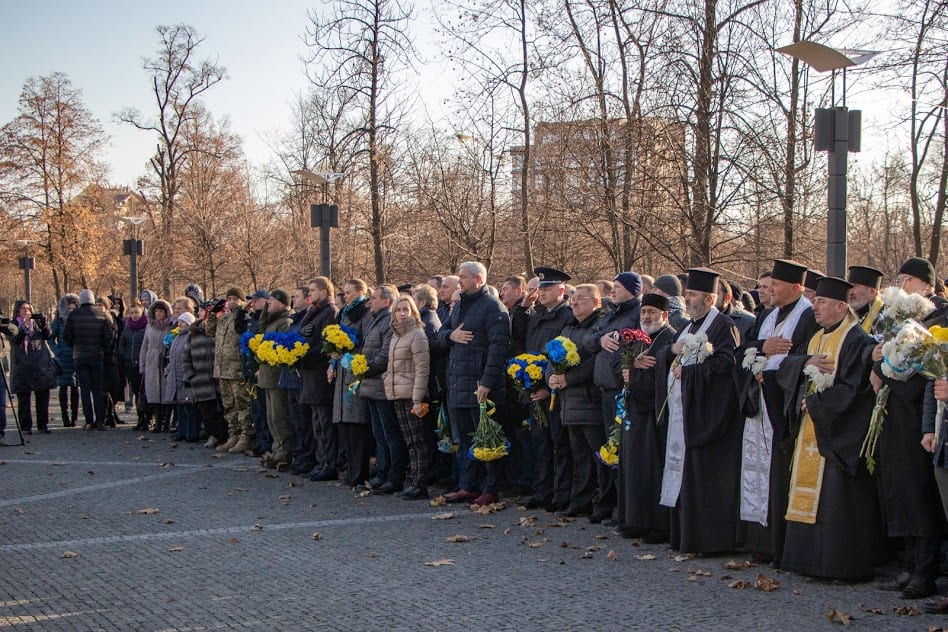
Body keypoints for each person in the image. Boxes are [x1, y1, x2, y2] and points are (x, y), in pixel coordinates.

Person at [775, 277, 886, 580]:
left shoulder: (857, 340)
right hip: (812, 428)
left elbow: (857, 390)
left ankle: (839, 566)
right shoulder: (816, 338)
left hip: (838, 436)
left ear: (840, 305)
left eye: (821, 302)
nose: (815, 307)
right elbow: (790, 366)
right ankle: (806, 562)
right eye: (814, 301)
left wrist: (818, 404)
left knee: (837, 501)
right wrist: (805, 365)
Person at [870, 256, 946, 599]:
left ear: (926, 286)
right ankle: (912, 563)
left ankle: (926, 571)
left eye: (909, 281)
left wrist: (884, 369)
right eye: (899, 280)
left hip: (920, 417)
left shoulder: (938, 320)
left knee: (921, 496)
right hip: (897, 416)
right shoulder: (900, 320)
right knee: (902, 492)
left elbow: (925, 376)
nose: (903, 286)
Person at [735, 259, 817, 566]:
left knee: (778, 472)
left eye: (777, 286)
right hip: (759, 403)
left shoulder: (808, 316)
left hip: (783, 406)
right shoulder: (767, 315)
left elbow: (806, 356)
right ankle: (758, 539)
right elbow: (747, 349)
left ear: (796, 288)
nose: (769, 292)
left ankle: (778, 542)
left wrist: (771, 374)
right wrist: (761, 351)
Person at [656, 267, 741, 554]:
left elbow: (727, 366)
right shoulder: (688, 326)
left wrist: (690, 375)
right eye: (687, 294)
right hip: (685, 413)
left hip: (709, 417)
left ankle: (709, 541)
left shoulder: (723, 325)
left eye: (692, 295)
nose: (687, 300)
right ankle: (685, 536)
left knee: (706, 479)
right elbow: (674, 355)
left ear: (709, 299)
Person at [437, 261, 511, 506]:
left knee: (486, 439)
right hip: (458, 383)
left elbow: (499, 349)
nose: (460, 282)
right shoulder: (458, 307)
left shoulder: (493, 308)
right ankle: (468, 485)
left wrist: (487, 383)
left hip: (481, 386)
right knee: (465, 441)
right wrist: (451, 336)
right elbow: (439, 334)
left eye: (464, 277)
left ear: (479, 280)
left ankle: (490, 488)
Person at [583, 271, 643, 523]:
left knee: (620, 451)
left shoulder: (636, 314)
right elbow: (588, 339)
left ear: (632, 289)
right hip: (603, 389)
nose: (612, 291)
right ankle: (607, 503)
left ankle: (623, 507)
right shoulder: (610, 314)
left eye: (617, 287)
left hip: (621, 390)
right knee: (606, 451)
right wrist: (601, 339)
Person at [616, 293, 676, 542]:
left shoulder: (670, 338)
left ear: (665, 315)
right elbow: (618, 365)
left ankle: (657, 524)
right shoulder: (635, 338)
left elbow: (665, 373)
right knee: (633, 468)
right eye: (644, 312)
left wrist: (638, 372)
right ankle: (634, 519)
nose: (647, 316)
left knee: (652, 468)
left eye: (652, 312)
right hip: (633, 411)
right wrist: (628, 370)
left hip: (655, 413)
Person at [517, 267, 575, 512]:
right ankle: (542, 491)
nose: (541, 293)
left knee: (559, 445)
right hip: (535, 389)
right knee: (540, 444)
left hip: (555, 391)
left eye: (547, 289)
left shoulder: (566, 316)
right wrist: (522, 308)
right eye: (539, 289)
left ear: (561, 290)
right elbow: (521, 338)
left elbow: (564, 355)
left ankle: (560, 494)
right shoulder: (536, 314)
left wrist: (547, 387)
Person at [552, 284, 605, 518]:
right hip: (570, 403)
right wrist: (551, 377)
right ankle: (580, 501)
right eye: (573, 299)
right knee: (579, 456)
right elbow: (552, 357)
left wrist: (568, 379)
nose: (574, 303)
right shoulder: (568, 328)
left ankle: (602, 502)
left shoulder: (598, 327)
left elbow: (596, 363)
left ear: (596, 303)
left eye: (581, 299)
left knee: (598, 456)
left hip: (589, 401)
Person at [384, 295, 431, 499]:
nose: (402, 313)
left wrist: (418, 398)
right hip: (397, 393)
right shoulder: (396, 335)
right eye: (399, 310)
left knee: (417, 441)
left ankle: (420, 483)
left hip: (412, 393)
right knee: (408, 440)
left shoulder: (417, 334)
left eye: (406, 309)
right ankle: (411, 480)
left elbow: (422, 368)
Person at [360, 285, 405, 495]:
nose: (370, 302)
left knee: (390, 434)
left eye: (374, 298)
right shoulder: (375, 319)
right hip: (371, 384)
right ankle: (383, 472)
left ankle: (394, 476)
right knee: (379, 434)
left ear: (387, 301)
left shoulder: (388, 321)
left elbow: (385, 354)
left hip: (382, 384)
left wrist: (364, 369)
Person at [331, 279, 372, 488]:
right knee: (346, 426)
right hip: (342, 371)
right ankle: (351, 470)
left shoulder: (364, 312)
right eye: (344, 292)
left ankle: (360, 472)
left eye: (349, 292)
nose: (345, 296)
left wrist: (350, 354)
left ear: (361, 292)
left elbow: (366, 342)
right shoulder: (344, 313)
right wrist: (333, 358)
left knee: (357, 425)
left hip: (355, 373)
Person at [298, 277, 339, 481]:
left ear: (324, 291)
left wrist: (303, 353)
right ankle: (321, 461)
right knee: (317, 422)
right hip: (310, 374)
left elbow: (326, 344)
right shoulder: (313, 312)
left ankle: (328, 463)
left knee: (324, 422)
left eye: (313, 290)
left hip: (320, 374)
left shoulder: (330, 312)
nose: (310, 294)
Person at [206, 288, 253, 454]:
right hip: (222, 368)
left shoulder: (243, 317)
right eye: (229, 298)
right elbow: (209, 331)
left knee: (241, 403)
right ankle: (233, 434)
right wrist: (213, 314)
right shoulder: (224, 318)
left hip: (236, 369)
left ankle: (245, 436)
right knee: (228, 405)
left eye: (235, 298)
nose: (231, 301)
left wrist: (243, 310)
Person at [64, 290, 118, 431]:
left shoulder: (73, 315)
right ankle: (100, 420)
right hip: (97, 355)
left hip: (80, 355)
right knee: (98, 389)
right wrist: (102, 347)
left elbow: (67, 336)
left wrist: (75, 345)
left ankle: (89, 421)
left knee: (85, 390)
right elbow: (109, 334)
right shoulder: (102, 314)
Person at [1, 300, 55, 434]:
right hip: (21, 364)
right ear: (17, 311)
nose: (27, 312)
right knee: (24, 397)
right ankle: (26, 427)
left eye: (29, 309)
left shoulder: (36, 324)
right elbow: (14, 340)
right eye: (24, 309)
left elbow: (48, 336)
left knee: (42, 394)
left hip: (39, 363)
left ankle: (43, 425)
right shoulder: (13, 325)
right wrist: (23, 330)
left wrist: (44, 325)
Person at [258, 289, 293, 470]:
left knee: (280, 417)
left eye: (272, 300)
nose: (268, 303)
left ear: (281, 303)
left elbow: (280, 348)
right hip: (267, 376)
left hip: (276, 376)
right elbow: (261, 329)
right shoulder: (272, 322)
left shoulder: (284, 322)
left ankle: (284, 453)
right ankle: (276, 449)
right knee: (271, 418)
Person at [183, 307, 224, 448]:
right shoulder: (193, 334)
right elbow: (186, 357)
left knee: (223, 412)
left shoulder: (220, 331)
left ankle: (223, 437)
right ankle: (214, 435)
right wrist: (190, 375)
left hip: (219, 379)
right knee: (208, 414)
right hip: (200, 381)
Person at [140, 299, 173, 432]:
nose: (159, 314)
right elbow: (144, 346)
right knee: (153, 393)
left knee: (166, 393)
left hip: (165, 359)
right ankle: (157, 422)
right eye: (156, 311)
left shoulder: (171, 327)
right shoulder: (149, 326)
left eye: (161, 311)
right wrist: (142, 366)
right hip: (152, 361)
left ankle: (166, 423)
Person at [164, 311, 198, 442]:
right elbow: (171, 357)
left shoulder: (191, 337)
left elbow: (190, 357)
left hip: (186, 376)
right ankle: (182, 431)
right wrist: (167, 371)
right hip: (175, 376)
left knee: (189, 407)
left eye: (184, 322)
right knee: (180, 407)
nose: (181, 324)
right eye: (179, 321)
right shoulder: (177, 337)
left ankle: (192, 433)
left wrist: (188, 375)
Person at [49, 293, 79, 427]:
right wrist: (57, 351)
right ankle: (65, 416)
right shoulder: (58, 321)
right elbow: (50, 338)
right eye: (68, 308)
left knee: (75, 388)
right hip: (63, 357)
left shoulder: (79, 321)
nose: (70, 310)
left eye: (73, 308)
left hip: (77, 356)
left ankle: (75, 417)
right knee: (63, 388)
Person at [118, 300, 149, 430]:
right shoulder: (127, 328)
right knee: (136, 392)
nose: (134, 315)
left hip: (143, 364)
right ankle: (140, 418)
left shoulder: (147, 326)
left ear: (142, 312)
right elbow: (122, 344)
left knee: (145, 392)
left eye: (137, 312)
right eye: (132, 313)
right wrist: (125, 356)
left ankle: (147, 418)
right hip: (130, 364)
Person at [847, 265, 885, 335]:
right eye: (849, 286)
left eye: (855, 286)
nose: (850, 292)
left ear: (872, 292)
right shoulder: (846, 315)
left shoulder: (884, 315)